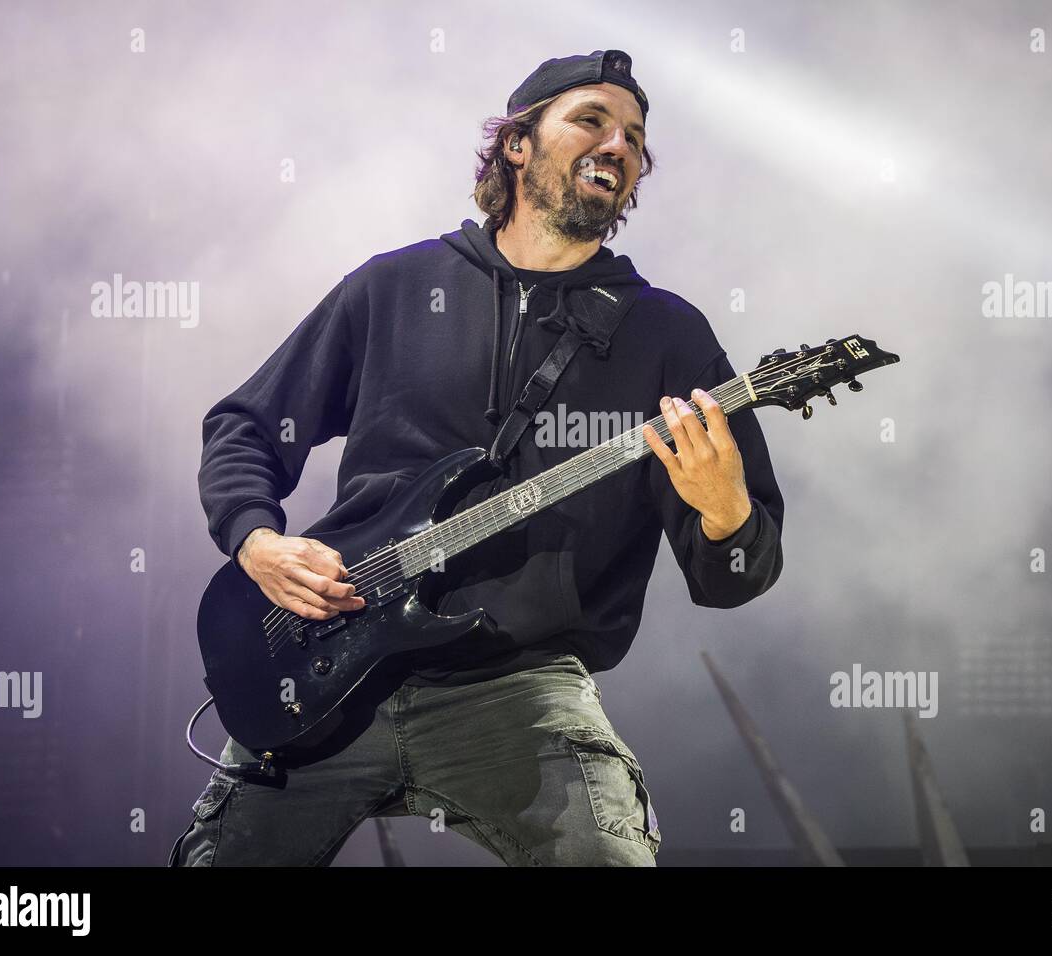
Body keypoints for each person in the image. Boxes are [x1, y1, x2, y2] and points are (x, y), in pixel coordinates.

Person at [168, 49, 785, 867]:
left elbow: (733, 578)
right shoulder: (392, 287)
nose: (620, 145)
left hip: (520, 691)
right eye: (591, 121)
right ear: (518, 146)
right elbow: (245, 425)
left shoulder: (668, 336)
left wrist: (726, 508)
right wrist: (258, 541)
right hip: (323, 668)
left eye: (636, 138)